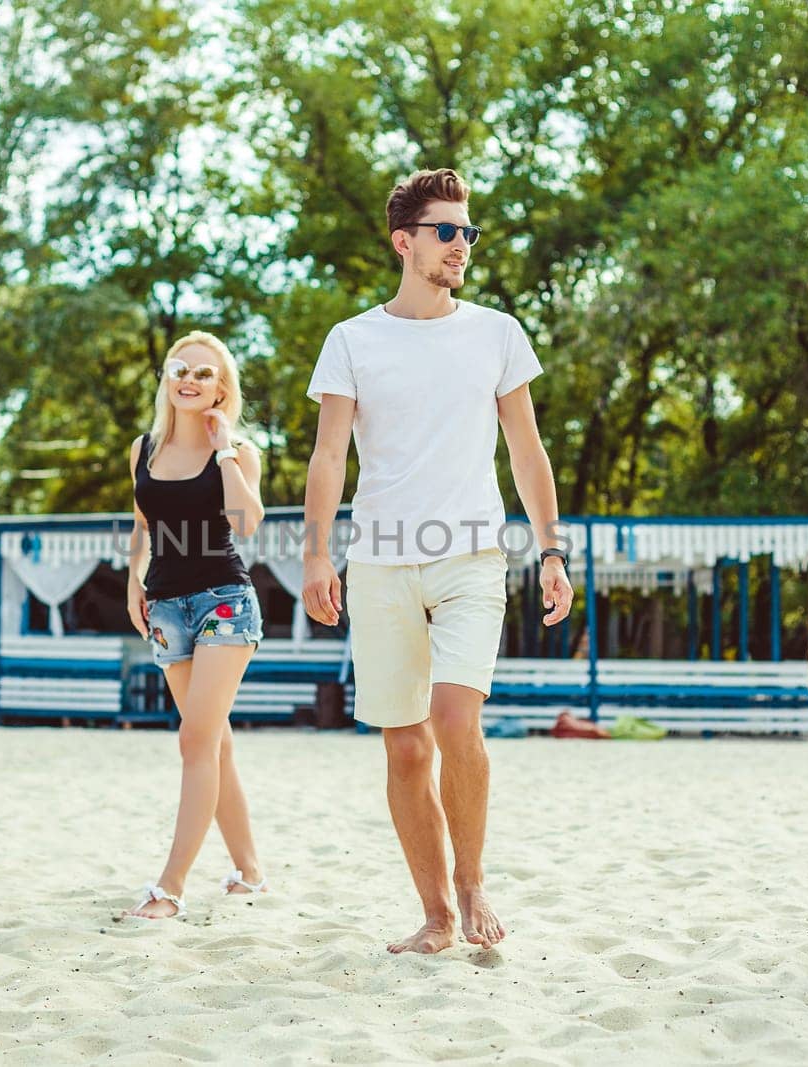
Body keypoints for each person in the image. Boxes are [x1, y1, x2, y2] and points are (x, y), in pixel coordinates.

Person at [302, 168, 573, 954]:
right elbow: (328, 458)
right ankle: (436, 913)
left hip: (472, 557)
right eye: (446, 231)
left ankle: (472, 879)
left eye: (468, 232)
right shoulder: (352, 339)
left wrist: (550, 549)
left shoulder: (497, 332)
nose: (461, 245)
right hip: (381, 560)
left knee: (458, 719)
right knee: (405, 742)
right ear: (404, 241)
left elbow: (528, 450)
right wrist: (318, 555)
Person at [123, 331, 270, 919]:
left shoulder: (237, 450)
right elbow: (141, 524)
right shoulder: (143, 448)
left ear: (221, 387)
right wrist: (134, 581)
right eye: (180, 368)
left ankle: (171, 887)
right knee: (216, 742)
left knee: (195, 740)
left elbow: (248, 521)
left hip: (224, 604)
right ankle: (251, 871)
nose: (190, 379)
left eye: (204, 373)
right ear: (166, 377)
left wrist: (226, 447)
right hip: (164, 607)